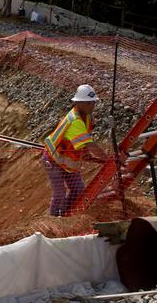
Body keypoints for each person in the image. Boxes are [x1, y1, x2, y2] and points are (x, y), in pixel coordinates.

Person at [41, 84, 109, 216]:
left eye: (93, 102)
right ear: (79, 103)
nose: (93, 106)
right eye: (89, 103)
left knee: (78, 190)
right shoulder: (75, 121)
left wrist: (87, 153)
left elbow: (84, 140)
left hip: (66, 160)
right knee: (59, 193)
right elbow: (91, 145)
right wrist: (108, 159)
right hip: (53, 159)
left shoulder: (87, 117)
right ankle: (54, 218)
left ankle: (66, 213)